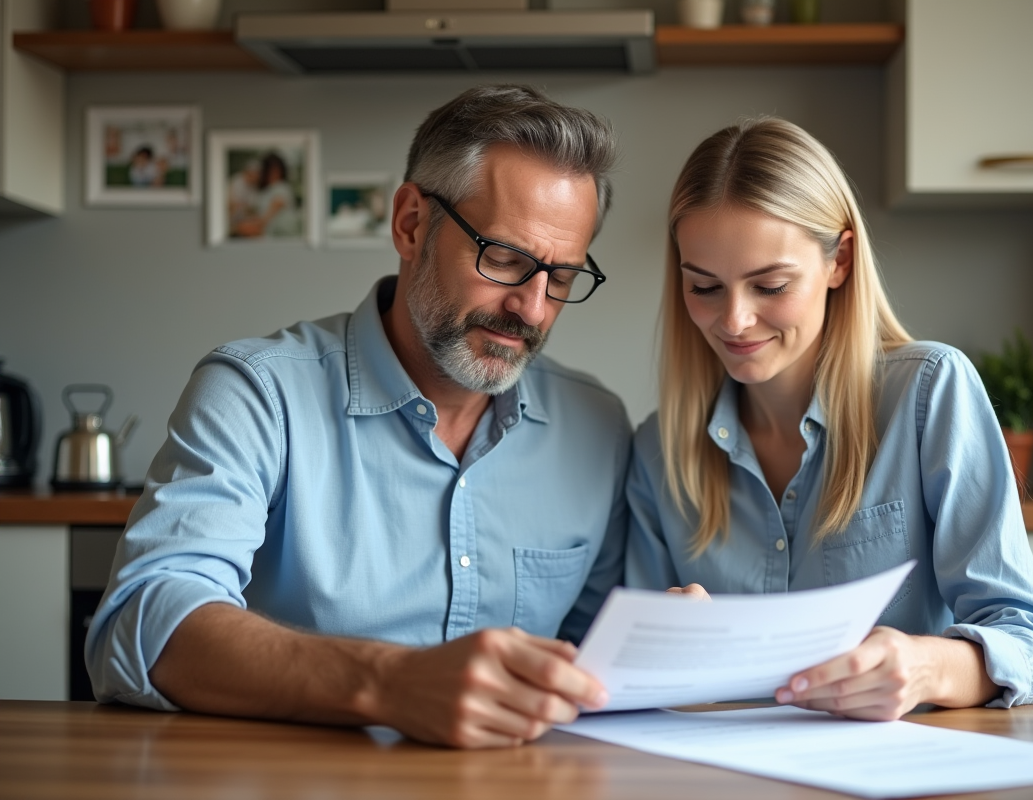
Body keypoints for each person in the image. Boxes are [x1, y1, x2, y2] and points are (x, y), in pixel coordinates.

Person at [86, 85, 629, 749]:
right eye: (506, 259)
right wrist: (390, 683)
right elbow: (144, 624)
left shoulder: (597, 429)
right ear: (409, 224)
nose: (534, 308)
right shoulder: (257, 395)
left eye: (563, 277)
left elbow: (594, 662)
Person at [626, 118, 1033, 720]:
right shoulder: (659, 448)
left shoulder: (928, 392)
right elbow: (631, 683)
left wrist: (923, 667)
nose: (732, 320)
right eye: (704, 287)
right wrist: (662, 649)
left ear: (838, 261)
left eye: (770, 285)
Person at [234, 152, 302, 238]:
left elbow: (277, 204)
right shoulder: (263, 191)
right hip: (270, 235)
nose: (274, 173)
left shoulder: (282, 186)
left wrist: (259, 224)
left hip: (283, 236)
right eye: (271, 170)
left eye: (277, 170)